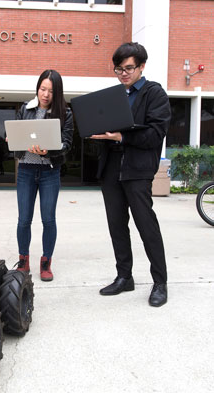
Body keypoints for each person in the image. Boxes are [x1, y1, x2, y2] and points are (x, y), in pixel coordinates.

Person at [91, 42, 171, 307]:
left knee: (146, 225)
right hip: (112, 168)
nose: (123, 74)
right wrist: (97, 131)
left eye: (128, 68)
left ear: (141, 67)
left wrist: (122, 136)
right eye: (118, 69)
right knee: (116, 226)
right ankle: (124, 277)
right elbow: (109, 131)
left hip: (137, 170)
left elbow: (155, 134)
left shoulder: (154, 93)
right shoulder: (114, 96)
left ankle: (160, 282)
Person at [13, 69, 73, 281]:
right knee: (23, 220)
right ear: (38, 89)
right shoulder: (25, 109)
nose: (45, 94)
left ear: (57, 93)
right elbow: (17, 139)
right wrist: (14, 142)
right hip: (26, 171)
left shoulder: (65, 113)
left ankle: (46, 262)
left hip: (49, 172)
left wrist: (49, 151)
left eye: (50, 91)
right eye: (42, 89)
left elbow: (67, 144)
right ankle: (23, 260)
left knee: (48, 219)